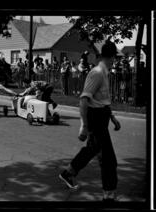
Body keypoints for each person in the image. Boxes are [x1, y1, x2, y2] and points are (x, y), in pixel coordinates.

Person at [59, 38, 121, 202]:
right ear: (113, 57)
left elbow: (103, 100)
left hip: (102, 117)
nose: (116, 61)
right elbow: (83, 100)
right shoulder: (97, 73)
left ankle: (68, 173)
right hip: (96, 119)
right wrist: (84, 126)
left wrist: (113, 118)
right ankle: (109, 194)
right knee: (108, 159)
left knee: (93, 149)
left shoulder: (104, 73)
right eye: (116, 57)